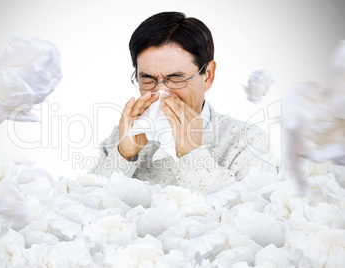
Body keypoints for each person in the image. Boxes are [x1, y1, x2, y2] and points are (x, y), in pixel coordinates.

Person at [89, 11, 276, 194]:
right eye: (147, 79)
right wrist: (124, 156)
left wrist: (191, 153)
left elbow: (247, 216)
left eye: (176, 78)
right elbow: (82, 207)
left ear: (208, 76)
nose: (161, 92)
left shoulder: (247, 141)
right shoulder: (120, 137)